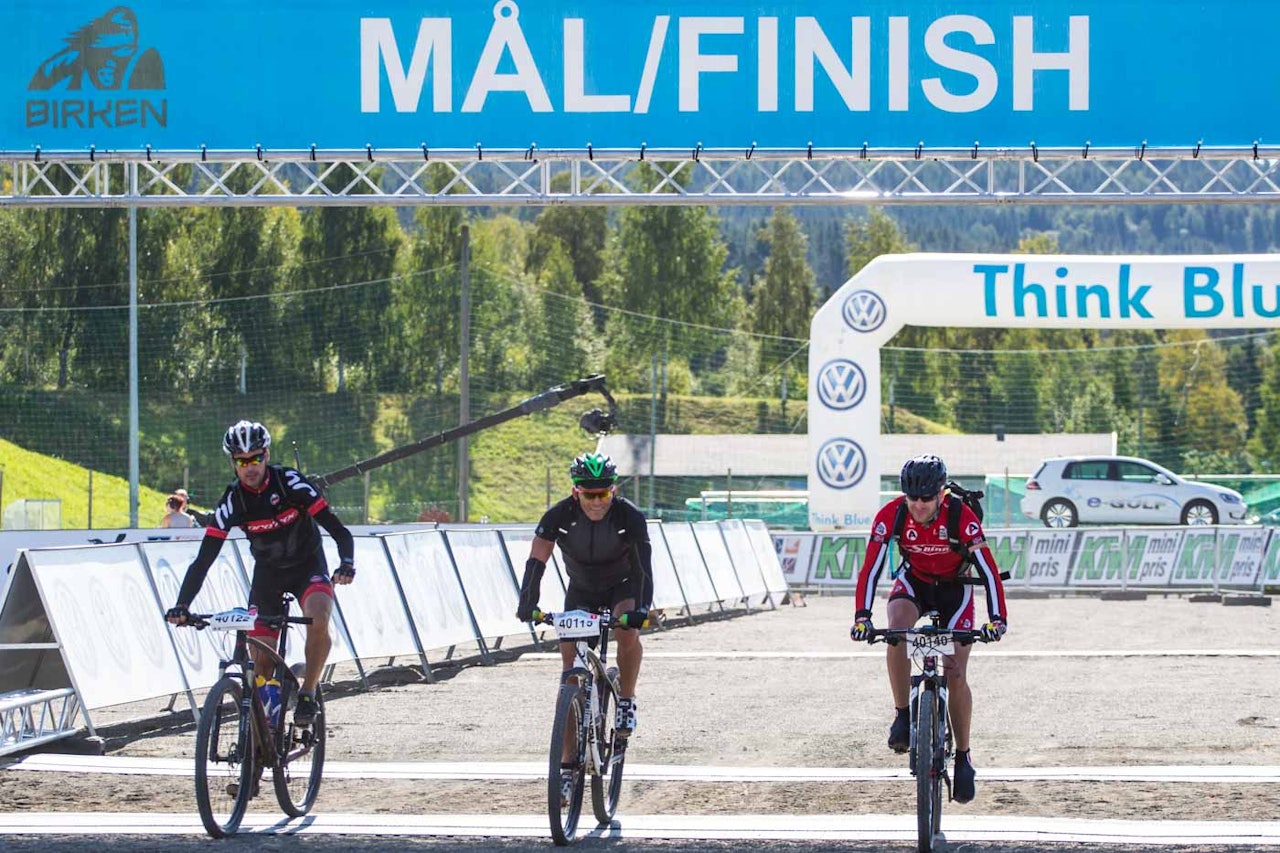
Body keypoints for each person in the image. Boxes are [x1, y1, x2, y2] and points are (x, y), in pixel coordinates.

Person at [165, 420, 355, 727]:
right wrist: (182, 604)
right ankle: (260, 741)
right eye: (242, 461)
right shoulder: (232, 501)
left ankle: (307, 692)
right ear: (233, 463)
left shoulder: (290, 483)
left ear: (266, 455)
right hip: (269, 574)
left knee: (318, 615)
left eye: (256, 458)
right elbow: (203, 560)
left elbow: (340, 532)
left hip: (308, 565)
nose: (250, 467)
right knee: (261, 662)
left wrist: (346, 563)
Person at [850, 454, 1008, 804]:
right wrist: (861, 615)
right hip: (916, 582)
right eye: (912, 498)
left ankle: (964, 756)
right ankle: (902, 715)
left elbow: (989, 571)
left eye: (926, 498)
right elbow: (870, 569)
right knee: (896, 630)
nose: (919, 505)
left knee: (955, 672)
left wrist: (998, 620)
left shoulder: (960, 517)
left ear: (941, 494)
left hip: (956, 587)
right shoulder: (891, 515)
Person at [515, 452, 653, 803]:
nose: (596, 502)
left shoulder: (630, 517)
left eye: (602, 494)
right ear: (575, 491)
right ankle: (566, 768)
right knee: (570, 677)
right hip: (581, 591)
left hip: (622, 585)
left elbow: (643, 569)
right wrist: (527, 602)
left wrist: (641, 610)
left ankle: (626, 700)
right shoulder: (558, 516)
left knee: (626, 632)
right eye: (588, 494)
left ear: (613, 490)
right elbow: (537, 559)